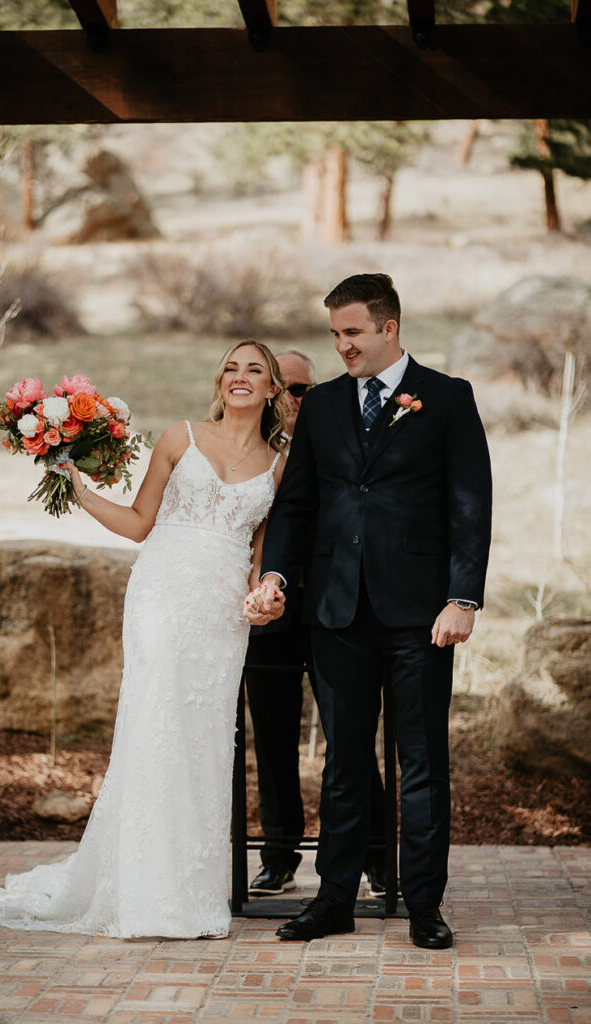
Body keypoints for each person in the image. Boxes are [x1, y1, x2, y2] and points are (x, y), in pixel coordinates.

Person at [0, 340, 289, 940]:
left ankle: (191, 894)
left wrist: (262, 598)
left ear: (271, 389)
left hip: (220, 612)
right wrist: (77, 485)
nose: (240, 377)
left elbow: (261, 552)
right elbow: (138, 523)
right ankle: (142, 892)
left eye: (254, 370)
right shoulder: (180, 437)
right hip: (160, 592)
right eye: (231, 368)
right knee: (156, 725)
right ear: (220, 381)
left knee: (205, 739)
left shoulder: (279, 462)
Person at [245, 274, 492, 949]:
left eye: (351, 332)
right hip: (335, 610)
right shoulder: (322, 405)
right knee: (344, 763)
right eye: (334, 334)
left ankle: (422, 905)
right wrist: (275, 576)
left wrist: (462, 598)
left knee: (421, 761)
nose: (341, 345)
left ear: (389, 328)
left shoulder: (445, 398)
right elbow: (296, 505)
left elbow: (470, 505)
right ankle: (332, 900)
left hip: (421, 615)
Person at [246, 351, 387, 899]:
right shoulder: (247, 451)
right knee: (272, 739)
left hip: (337, 607)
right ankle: (279, 856)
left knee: (348, 738)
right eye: (282, 388)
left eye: (302, 388)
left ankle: (375, 857)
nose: (291, 399)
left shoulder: (344, 436)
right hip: (269, 611)